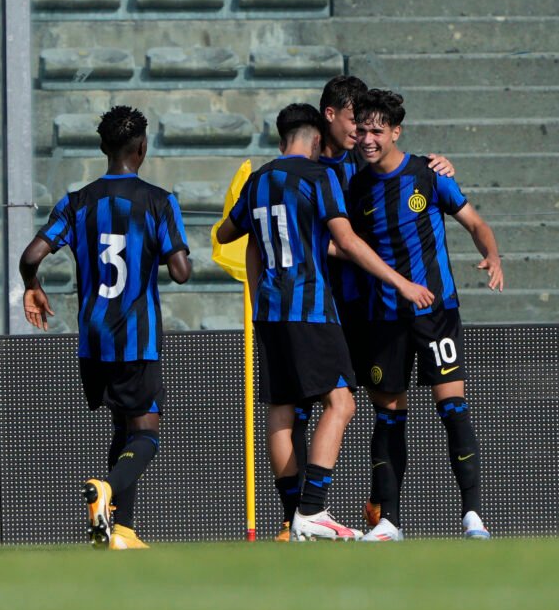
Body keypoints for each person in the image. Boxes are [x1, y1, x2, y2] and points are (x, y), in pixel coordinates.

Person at [215, 103, 434, 541]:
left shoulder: (258, 181)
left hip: (270, 313)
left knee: (282, 408)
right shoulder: (319, 177)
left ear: (282, 140)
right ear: (316, 140)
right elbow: (347, 241)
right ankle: (312, 509)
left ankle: (293, 514)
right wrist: (402, 283)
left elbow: (226, 235)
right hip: (310, 309)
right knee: (342, 403)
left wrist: (261, 290)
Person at [270, 75, 459, 542]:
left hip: (367, 308)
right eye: (356, 121)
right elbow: (336, 239)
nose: (363, 132)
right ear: (330, 117)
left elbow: (404, 187)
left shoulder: (363, 163)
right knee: (305, 406)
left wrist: (438, 167)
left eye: (371, 127)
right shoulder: (309, 170)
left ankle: (378, 505)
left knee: (379, 403)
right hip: (319, 304)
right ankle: (297, 515)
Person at [19, 105, 191, 550]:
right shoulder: (158, 200)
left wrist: (32, 287)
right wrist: (171, 248)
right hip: (136, 337)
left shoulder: (77, 202)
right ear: (142, 147)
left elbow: (31, 256)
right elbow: (181, 272)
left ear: (102, 147)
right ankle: (107, 490)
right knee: (148, 432)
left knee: (122, 428)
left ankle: (122, 529)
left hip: (93, 340)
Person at [344, 89, 504, 542]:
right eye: (363, 130)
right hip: (383, 317)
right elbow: (346, 244)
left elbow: (475, 223)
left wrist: (492, 255)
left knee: (453, 409)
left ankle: (472, 516)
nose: (369, 138)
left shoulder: (430, 175)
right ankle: (390, 522)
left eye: (378, 130)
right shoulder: (356, 188)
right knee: (389, 417)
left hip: (436, 313)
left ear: (396, 131)